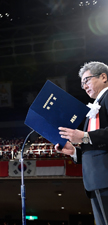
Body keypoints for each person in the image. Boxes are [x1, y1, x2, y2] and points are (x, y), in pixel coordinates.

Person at [55, 61, 108, 225]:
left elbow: (90, 138)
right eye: (82, 83)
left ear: (104, 77)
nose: (84, 86)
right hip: (96, 180)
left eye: (87, 80)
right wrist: (73, 152)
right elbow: (93, 148)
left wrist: (84, 137)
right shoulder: (92, 109)